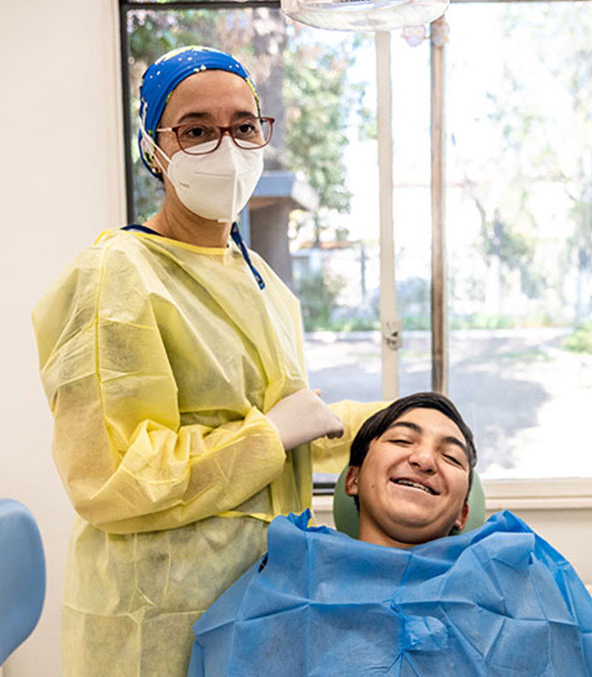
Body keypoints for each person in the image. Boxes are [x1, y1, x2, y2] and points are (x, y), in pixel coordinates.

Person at [33, 46, 382, 676]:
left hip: (263, 602)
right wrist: (270, 435)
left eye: (244, 126)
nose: (226, 147)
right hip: (158, 616)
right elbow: (112, 476)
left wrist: (393, 425)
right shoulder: (117, 275)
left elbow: (287, 420)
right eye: (196, 130)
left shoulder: (263, 283)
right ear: (155, 150)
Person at [188, 393, 592, 676]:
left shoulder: (517, 570)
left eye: (452, 457)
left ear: (463, 511)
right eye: (403, 441)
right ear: (352, 479)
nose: (424, 460)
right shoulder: (286, 578)